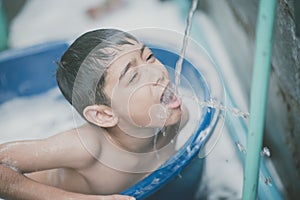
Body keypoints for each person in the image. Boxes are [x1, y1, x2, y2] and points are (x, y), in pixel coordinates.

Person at [0, 28, 188, 200]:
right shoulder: (89, 148)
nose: (157, 73)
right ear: (104, 115)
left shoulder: (177, 118)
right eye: (134, 77)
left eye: (149, 57)